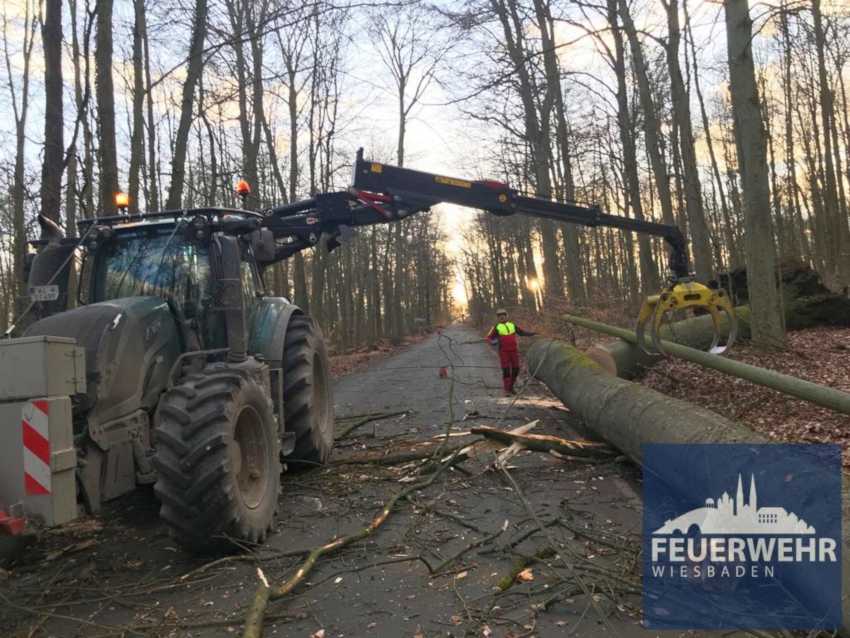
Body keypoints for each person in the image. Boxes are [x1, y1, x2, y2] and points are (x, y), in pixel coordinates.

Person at [486, 309, 536, 395]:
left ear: (506, 316)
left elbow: (522, 333)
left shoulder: (512, 325)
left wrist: (533, 334)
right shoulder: (496, 327)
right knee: (506, 371)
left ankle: (511, 387)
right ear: (498, 318)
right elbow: (489, 338)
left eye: (503, 315)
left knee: (516, 369)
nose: (502, 317)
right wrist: (494, 342)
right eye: (499, 316)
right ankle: (507, 390)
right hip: (503, 351)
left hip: (514, 351)